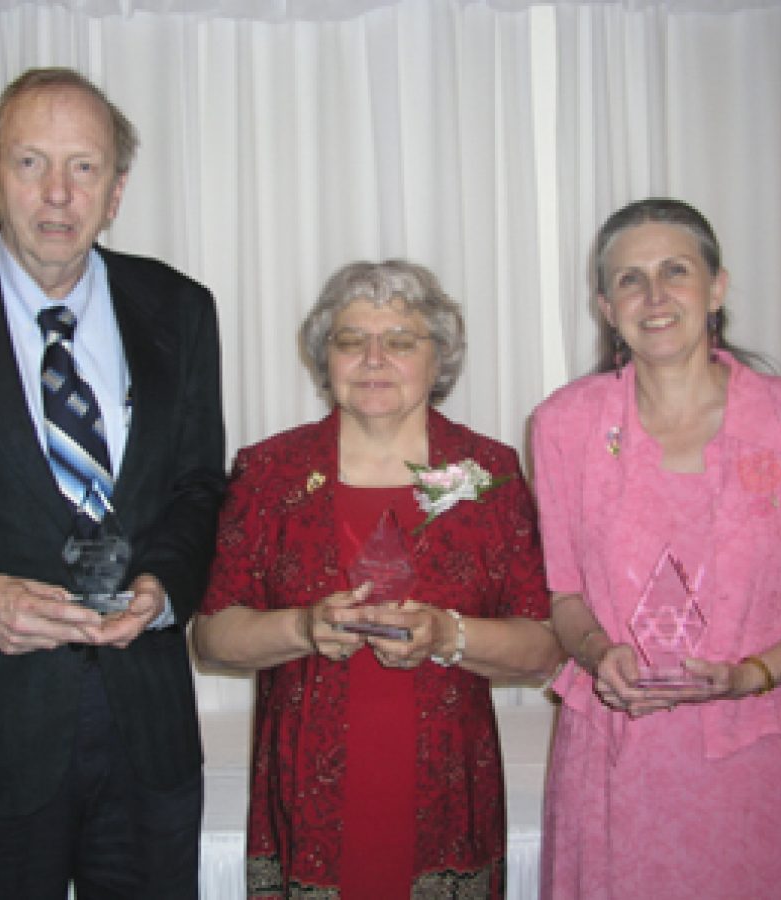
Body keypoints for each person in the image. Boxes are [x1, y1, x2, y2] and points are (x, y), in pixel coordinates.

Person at [0, 67, 225, 897]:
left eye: (86, 167)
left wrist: (163, 587)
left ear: (116, 191)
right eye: (31, 162)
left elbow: (197, 489)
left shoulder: (180, 307)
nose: (59, 194)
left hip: (146, 730)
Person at [193, 259, 562, 898]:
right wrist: (301, 627)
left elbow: (542, 647)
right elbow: (213, 637)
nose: (372, 359)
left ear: (438, 357)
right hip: (306, 786)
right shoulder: (269, 472)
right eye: (350, 340)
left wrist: (450, 634)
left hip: (448, 790)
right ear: (324, 358)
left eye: (399, 341)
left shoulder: (490, 473)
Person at [532, 197, 781, 899]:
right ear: (607, 309)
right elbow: (565, 596)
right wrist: (593, 651)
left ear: (717, 288)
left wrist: (753, 675)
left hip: (760, 758)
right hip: (616, 759)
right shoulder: (564, 426)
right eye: (629, 280)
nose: (654, 295)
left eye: (675, 271)